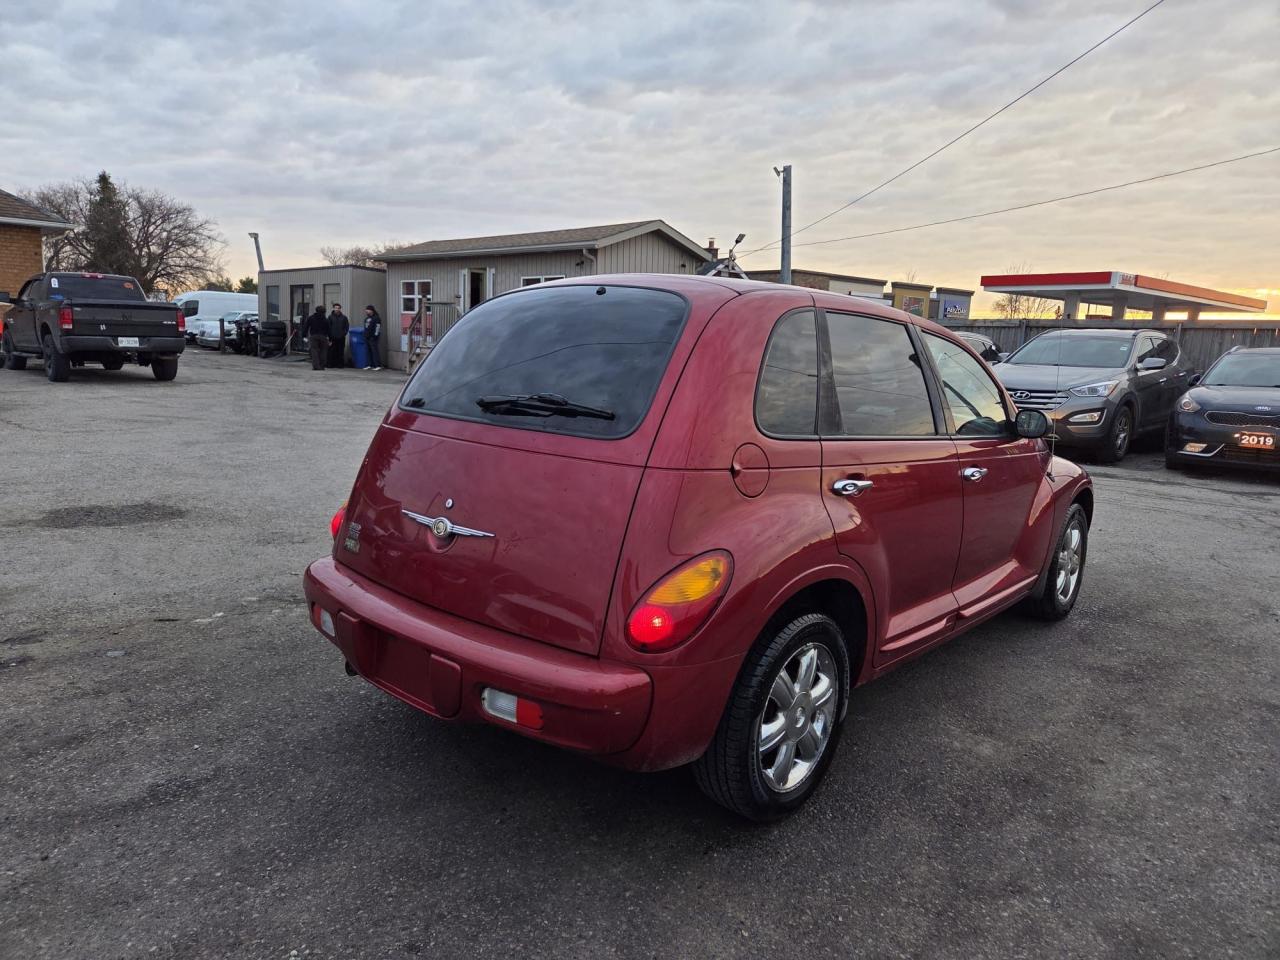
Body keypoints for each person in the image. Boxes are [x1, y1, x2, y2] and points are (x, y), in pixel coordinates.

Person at [305, 305, 330, 370]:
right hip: (323, 337)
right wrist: (329, 338)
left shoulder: (311, 318)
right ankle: (322, 366)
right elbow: (329, 329)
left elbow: (306, 327)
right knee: (323, 351)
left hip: (314, 336)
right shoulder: (326, 319)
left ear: (316, 310)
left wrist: (304, 336)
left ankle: (316, 366)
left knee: (314, 351)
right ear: (324, 312)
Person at [327, 303, 349, 368]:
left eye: (338, 308)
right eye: (336, 308)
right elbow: (328, 327)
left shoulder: (344, 317)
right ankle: (331, 364)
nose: (337, 309)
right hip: (332, 337)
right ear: (333, 308)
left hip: (341, 337)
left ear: (340, 309)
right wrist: (329, 335)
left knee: (340, 351)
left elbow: (346, 327)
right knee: (331, 351)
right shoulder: (330, 317)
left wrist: (343, 333)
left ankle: (340, 364)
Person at [363, 305, 382, 370]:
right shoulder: (366, 318)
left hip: (373, 337)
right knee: (368, 351)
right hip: (367, 337)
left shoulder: (376, 318)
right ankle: (369, 364)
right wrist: (365, 335)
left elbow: (377, 327)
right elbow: (365, 328)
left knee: (374, 351)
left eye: (368, 310)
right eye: (366, 310)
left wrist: (375, 336)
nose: (366, 311)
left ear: (371, 310)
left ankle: (377, 365)